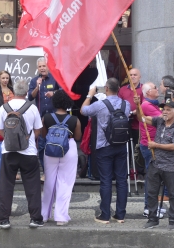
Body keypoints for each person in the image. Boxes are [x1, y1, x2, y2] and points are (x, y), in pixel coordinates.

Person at [0, 79, 44, 230]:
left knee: (5, 185)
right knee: (33, 186)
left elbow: (0, 131)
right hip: (28, 152)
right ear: (27, 92)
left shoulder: (4, 107)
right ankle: (35, 218)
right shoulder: (32, 108)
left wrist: (11, 140)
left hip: (8, 151)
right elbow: (38, 131)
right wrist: (26, 139)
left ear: (13, 92)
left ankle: (3, 219)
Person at [80, 78, 130, 224]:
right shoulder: (125, 104)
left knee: (106, 180)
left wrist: (90, 94)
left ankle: (105, 215)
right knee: (121, 180)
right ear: (119, 89)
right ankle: (120, 215)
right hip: (121, 145)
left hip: (104, 146)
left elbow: (83, 110)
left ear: (106, 88)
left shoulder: (99, 105)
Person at [141, 99, 174, 230]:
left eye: (168, 110)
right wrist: (138, 105)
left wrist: (156, 145)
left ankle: (173, 220)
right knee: (151, 192)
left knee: (173, 194)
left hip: (169, 166)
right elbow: (142, 119)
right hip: (155, 163)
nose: (165, 112)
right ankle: (153, 218)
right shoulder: (159, 121)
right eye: (164, 109)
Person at [41, 90, 81, 226]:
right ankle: (61, 217)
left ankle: (44, 215)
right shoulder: (74, 119)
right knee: (65, 182)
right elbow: (77, 137)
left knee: (49, 181)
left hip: (50, 148)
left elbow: (43, 134)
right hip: (68, 148)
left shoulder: (46, 117)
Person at [28, 57, 60, 170]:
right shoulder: (34, 80)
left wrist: (54, 93)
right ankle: (45, 169)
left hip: (55, 116)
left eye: (44, 66)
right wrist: (37, 86)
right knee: (41, 145)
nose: (42, 68)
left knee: (54, 143)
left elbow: (63, 91)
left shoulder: (55, 78)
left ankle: (54, 169)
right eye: (40, 66)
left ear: (48, 67)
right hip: (41, 118)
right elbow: (30, 96)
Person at [139, 82, 165, 218]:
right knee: (152, 177)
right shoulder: (146, 105)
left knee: (155, 177)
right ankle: (148, 207)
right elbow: (165, 118)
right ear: (148, 92)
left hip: (154, 143)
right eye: (155, 87)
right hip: (149, 145)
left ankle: (152, 206)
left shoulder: (153, 104)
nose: (157, 89)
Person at [118, 67, 144, 179]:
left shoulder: (143, 89)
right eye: (131, 75)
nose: (132, 77)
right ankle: (127, 172)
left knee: (139, 148)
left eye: (135, 75)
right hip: (125, 123)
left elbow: (144, 105)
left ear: (139, 77)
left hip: (138, 124)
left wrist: (133, 112)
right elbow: (118, 103)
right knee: (126, 148)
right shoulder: (123, 89)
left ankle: (140, 172)